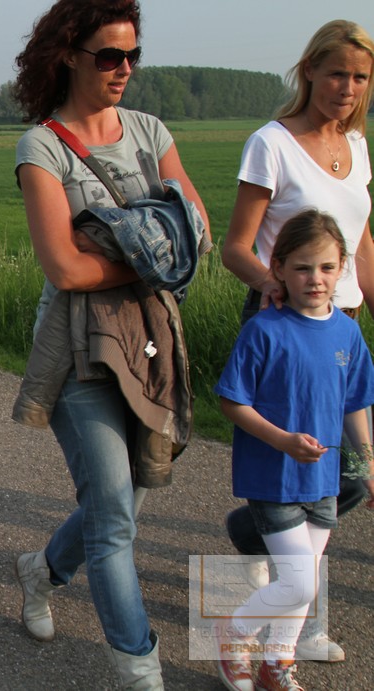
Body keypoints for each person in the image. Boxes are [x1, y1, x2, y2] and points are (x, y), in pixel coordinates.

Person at [9, 1, 209, 687]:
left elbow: (199, 230)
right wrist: (152, 256)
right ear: (70, 55)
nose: (123, 69)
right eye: (109, 56)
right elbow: (65, 269)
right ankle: (139, 668)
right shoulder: (41, 146)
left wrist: (133, 253)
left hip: (150, 343)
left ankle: (41, 571)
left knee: (123, 498)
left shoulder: (150, 132)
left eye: (132, 56)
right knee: (116, 517)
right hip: (77, 350)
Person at [219, 19, 374, 664]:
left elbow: (360, 244)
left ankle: (259, 537)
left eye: (360, 77)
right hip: (282, 318)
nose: (348, 88)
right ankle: (297, 624)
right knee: (312, 468)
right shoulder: (272, 144)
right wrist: (272, 284)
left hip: (341, 323)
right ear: (309, 70)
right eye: (336, 73)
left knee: (349, 476)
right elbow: (235, 246)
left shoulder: (356, 144)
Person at [214, 210, 374, 691]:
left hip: (322, 480)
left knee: (302, 581)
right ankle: (233, 635)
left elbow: (355, 405)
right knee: (299, 581)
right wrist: (282, 440)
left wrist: (366, 468)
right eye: (302, 268)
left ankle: (276, 664)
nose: (315, 279)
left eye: (326, 267)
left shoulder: (347, 333)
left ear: (342, 268)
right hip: (273, 477)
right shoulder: (265, 330)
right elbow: (231, 401)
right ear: (279, 268)